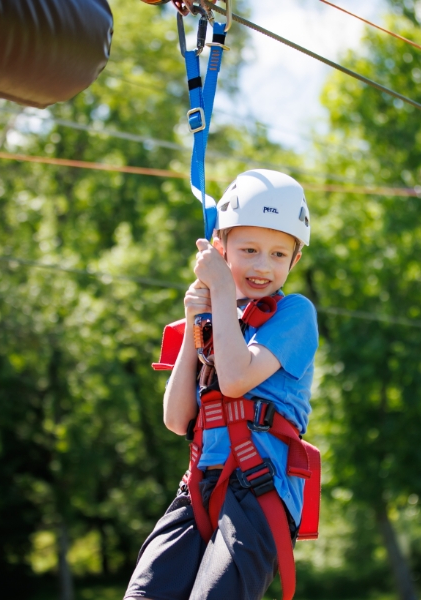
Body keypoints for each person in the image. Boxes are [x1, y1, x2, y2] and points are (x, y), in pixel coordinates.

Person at [125, 169, 319, 600]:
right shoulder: (212, 321)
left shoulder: (295, 315)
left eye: (278, 254)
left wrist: (220, 291)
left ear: (294, 261)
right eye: (249, 250)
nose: (263, 265)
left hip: (259, 487)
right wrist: (198, 319)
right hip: (200, 483)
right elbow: (177, 420)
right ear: (220, 248)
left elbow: (233, 380)